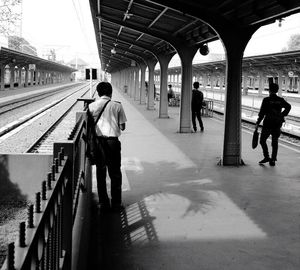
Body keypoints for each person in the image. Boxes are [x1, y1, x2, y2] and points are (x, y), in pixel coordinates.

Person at [89, 82, 127, 212]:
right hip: (113, 142)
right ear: (111, 93)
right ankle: (116, 203)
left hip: (99, 143)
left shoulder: (91, 106)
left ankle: (103, 203)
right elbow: (122, 126)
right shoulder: (117, 106)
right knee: (115, 172)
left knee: (101, 172)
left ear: (98, 93)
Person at [255, 83, 291, 166]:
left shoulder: (266, 100)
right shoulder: (280, 100)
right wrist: (282, 114)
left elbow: (262, 113)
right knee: (275, 141)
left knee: (262, 140)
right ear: (277, 90)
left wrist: (257, 122)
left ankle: (266, 156)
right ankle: (273, 159)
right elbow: (288, 106)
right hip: (277, 123)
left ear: (269, 90)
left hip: (268, 123)